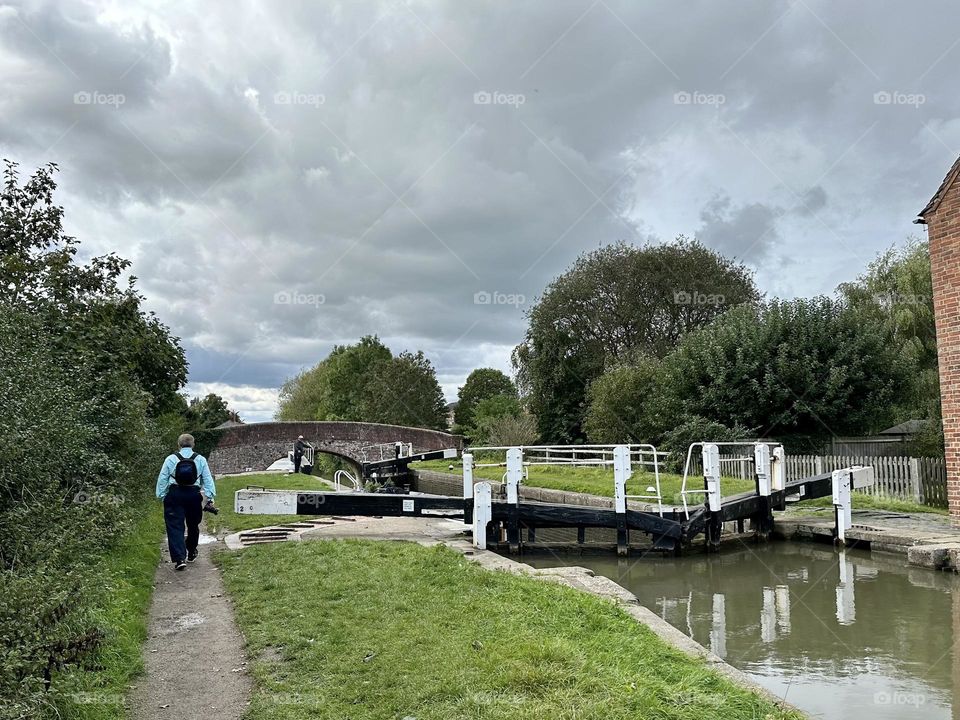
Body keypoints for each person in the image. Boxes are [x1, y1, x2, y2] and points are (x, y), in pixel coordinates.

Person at [156, 433, 216, 571]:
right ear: (193, 444)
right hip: (193, 495)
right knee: (193, 524)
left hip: (175, 494)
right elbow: (207, 480)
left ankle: (179, 558)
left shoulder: (171, 459)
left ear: (179, 445)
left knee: (175, 526)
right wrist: (210, 498)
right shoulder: (200, 459)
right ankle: (191, 551)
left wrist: (163, 496)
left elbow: (163, 478)